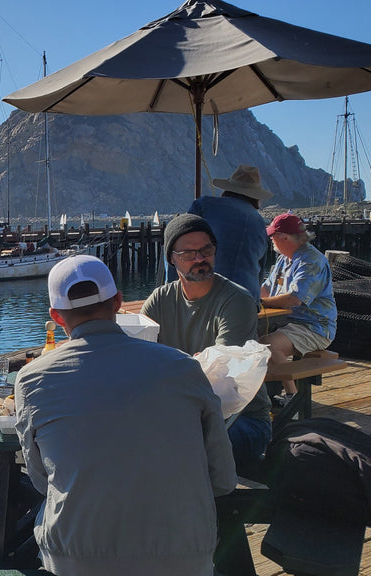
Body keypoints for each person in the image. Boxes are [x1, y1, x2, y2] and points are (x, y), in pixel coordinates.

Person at [15, 254, 236, 576]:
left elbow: (40, 479)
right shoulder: (183, 366)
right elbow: (223, 477)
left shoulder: (32, 379)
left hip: (78, 561)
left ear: (55, 316)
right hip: (184, 557)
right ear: (118, 301)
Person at [142, 214, 272, 478]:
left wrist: (165, 370)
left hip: (242, 421)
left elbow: (217, 376)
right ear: (171, 258)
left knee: (175, 449)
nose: (199, 259)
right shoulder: (159, 301)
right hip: (181, 416)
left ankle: (211, 517)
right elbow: (137, 360)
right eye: (188, 253)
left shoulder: (236, 301)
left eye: (206, 250)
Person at [259, 213, 338, 403]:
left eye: (272, 235)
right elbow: (266, 289)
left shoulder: (311, 261)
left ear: (284, 237)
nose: (270, 240)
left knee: (267, 346)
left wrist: (259, 303)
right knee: (244, 338)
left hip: (314, 327)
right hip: (287, 322)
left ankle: (292, 398)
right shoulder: (283, 259)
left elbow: (294, 299)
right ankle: (260, 394)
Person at [186, 164, 273, 303]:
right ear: (256, 196)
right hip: (248, 299)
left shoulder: (205, 205)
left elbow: (181, 242)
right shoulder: (259, 222)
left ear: (228, 189)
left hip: (209, 294)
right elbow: (260, 270)